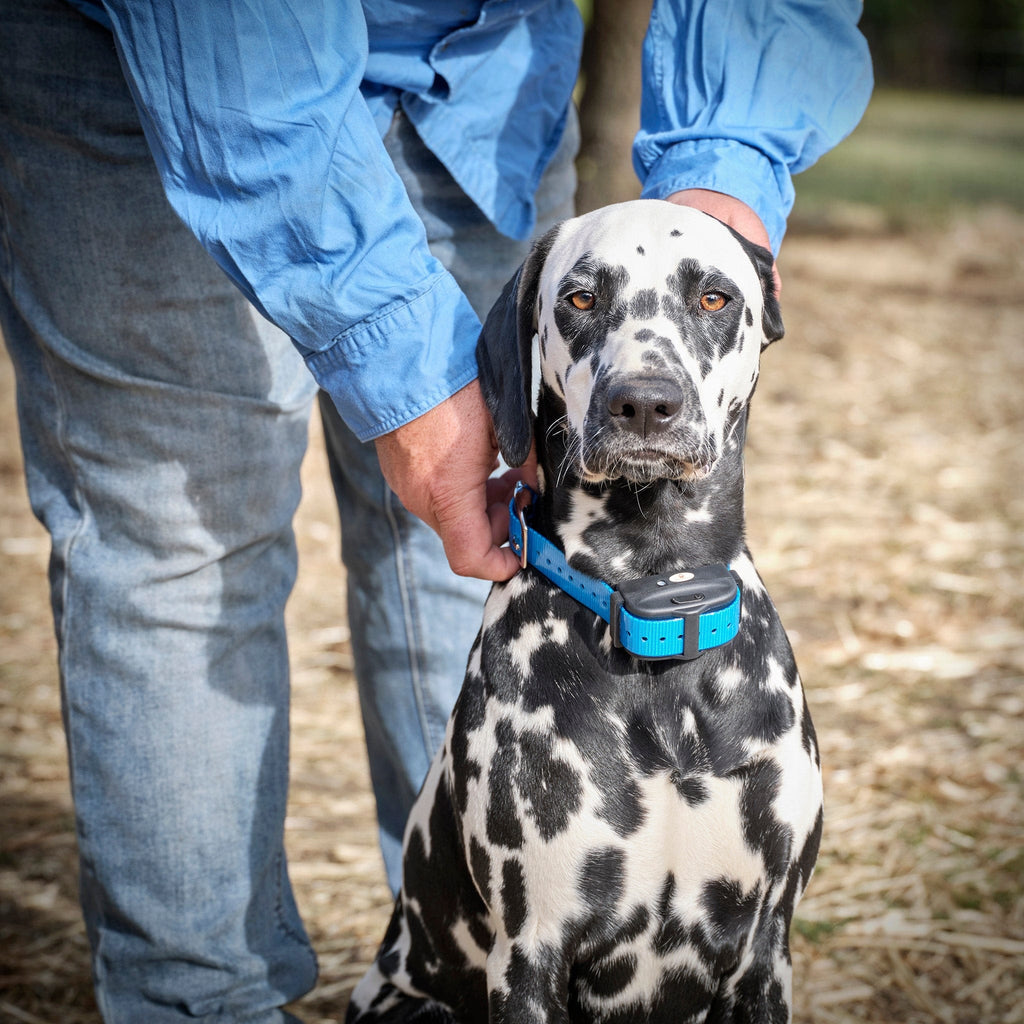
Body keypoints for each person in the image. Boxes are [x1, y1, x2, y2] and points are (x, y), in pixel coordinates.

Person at [0, 0, 872, 1021]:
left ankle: (478, 921)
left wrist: (730, 157)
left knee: (464, 540)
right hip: (177, 58)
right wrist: (390, 350)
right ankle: (199, 1003)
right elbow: (229, 48)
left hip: (479, 69)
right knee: (179, 531)